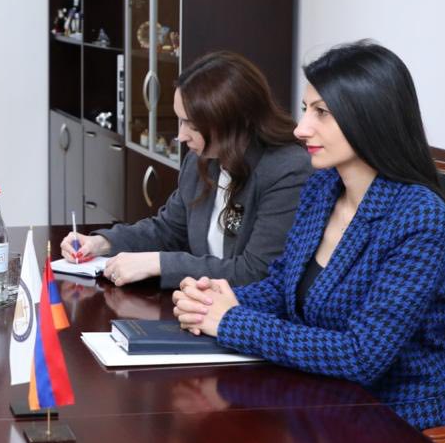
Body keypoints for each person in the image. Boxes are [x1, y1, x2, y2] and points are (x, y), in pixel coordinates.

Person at [172, 40, 445, 433]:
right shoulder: (323, 187)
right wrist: (214, 299)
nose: (301, 129)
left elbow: (361, 356)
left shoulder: (419, 217)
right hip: (324, 402)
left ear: (369, 117)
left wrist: (231, 321)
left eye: (321, 113)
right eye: (305, 110)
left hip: (406, 424)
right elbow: (283, 286)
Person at [62, 50, 311, 288]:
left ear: (232, 121)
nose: (181, 136)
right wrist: (101, 243)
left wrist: (159, 263)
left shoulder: (286, 171)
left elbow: (255, 273)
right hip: (199, 304)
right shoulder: (200, 160)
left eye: (191, 125)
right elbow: (169, 230)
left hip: (245, 312)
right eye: (180, 121)